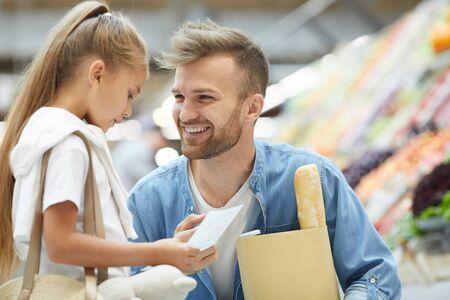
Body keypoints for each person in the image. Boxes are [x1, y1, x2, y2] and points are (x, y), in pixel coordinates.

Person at [128, 20, 401, 300]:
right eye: (180, 97)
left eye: (204, 98)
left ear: (253, 107)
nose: (185, 114)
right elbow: (122, 292)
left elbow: (375, 276)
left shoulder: (312, 178)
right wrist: (163, 272)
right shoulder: (148, 201)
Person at [0, 1, 216, 285]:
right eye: (130, 93)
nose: (128, 110)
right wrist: (154, 253)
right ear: (97, 74)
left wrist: (166, 250)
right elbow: (61, 244)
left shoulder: (48, 133)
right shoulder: (68, 142)